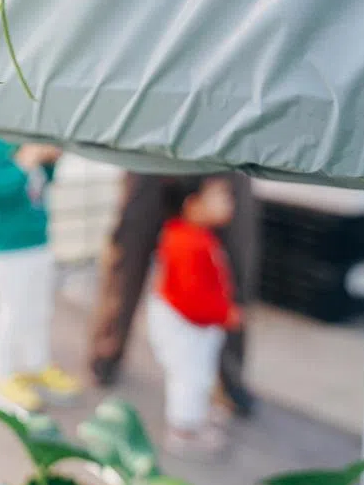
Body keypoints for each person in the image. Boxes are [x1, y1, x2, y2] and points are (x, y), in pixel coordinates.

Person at [88, 171, 258, 417]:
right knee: (129, 251)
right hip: (152, 158)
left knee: (235, 259)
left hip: (226, 160)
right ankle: (106, 352)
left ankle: (230, 379)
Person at [0, 139, 82, 411]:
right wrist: (25, 163)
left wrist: (50, 160)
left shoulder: (28, 139)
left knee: (39, 310)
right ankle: (0, 373)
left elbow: (42, 182)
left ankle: (35, 364)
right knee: (11, 314)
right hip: (6, 249)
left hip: (37, 241)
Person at [147, 176, 240, 457]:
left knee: (199, 373)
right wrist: (224, 314)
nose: (229, 203)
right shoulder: (188, 243)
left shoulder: (192, 235)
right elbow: (192, 298)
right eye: (220, 197)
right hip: (186, 325)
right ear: (193, 205)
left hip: (194, 324)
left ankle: (197, 413)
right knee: (190, 376)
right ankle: (184, 430)